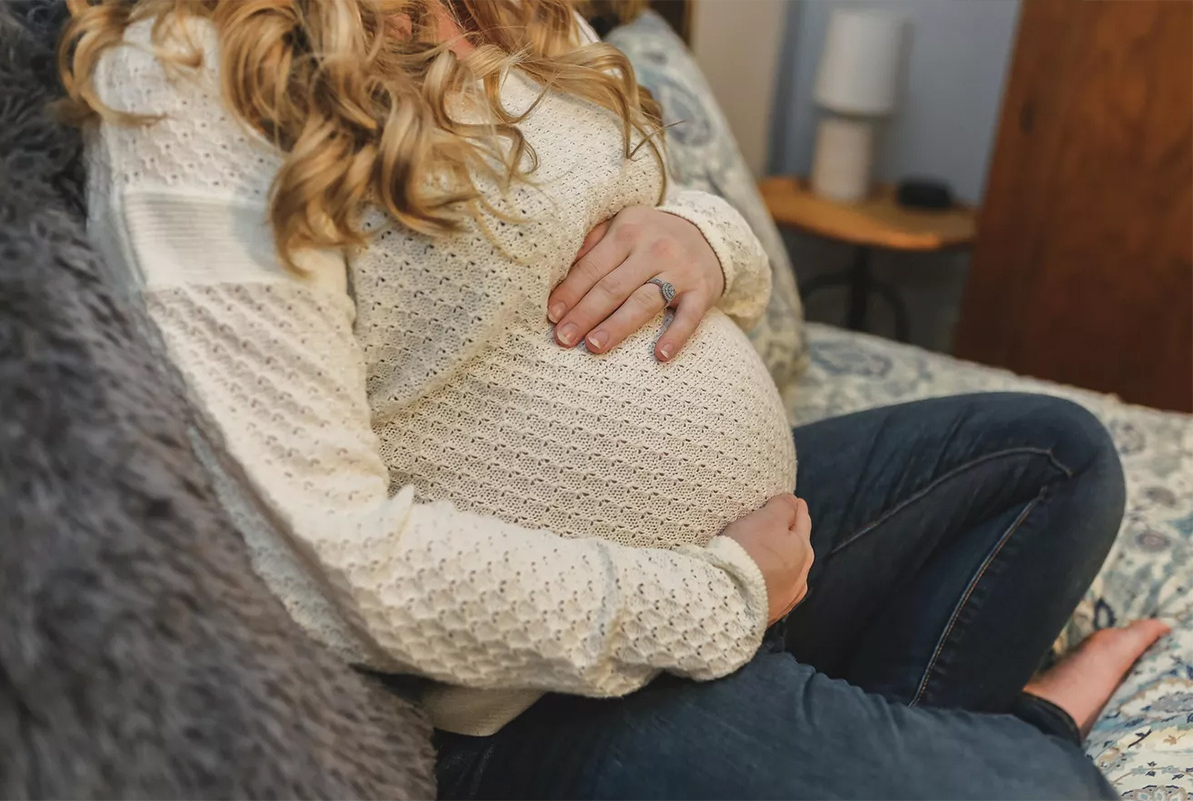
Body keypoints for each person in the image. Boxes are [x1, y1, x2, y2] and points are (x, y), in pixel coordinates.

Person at [61, 0, 1168, 797]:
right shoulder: (191, 77)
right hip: (534, 693)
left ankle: (847, 734)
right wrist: (723, 596)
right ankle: (1008, 736)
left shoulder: (509, 12)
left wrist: (704, 235)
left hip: (749, 569)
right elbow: (331, 563)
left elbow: (648, 204)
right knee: (1034, 790)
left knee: (1055, 458)